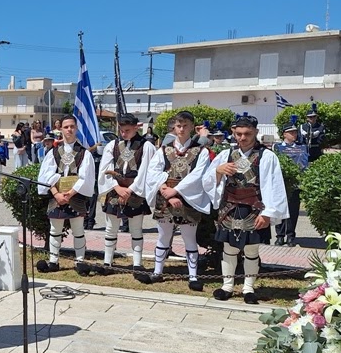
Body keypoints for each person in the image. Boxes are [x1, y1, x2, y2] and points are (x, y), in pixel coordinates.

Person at [206, 114, 288, 304]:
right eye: (239, 134)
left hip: (254, 208)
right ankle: (227, 286)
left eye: (247, 134)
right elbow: (207, 180)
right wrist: (218, 171)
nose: (242, 138)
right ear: (234, 133)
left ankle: (248, 288)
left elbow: (275, 185)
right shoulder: (225, 155)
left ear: (256, 132)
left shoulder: (267, 156)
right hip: (229, 207)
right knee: (229, 248)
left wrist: (268, 213)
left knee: (251, 249)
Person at [134, 110, 211, 290]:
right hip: (165, 198)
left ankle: (193, 276)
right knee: (163, 236)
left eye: (185, 126)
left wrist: (176, 191)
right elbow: (153, 172)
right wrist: (164, 188)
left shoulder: (201, 151)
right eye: (178, 126)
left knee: (189, 238)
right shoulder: (164, 150)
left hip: (188, 199)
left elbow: (198, 175)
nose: (181, 129)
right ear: (174, 128)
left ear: (192, 127)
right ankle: (157, 272)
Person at [36, 114, 95, 275]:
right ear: (60, 129)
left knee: (78, 231)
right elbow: (46, 176)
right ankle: (53, 261)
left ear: (76, 128)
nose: (69, 129)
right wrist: (56, 194)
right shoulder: (53, 152)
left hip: (75, 195)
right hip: (57, 195)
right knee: (55, 230)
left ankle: (80, 261)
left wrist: (69, 194)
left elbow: (86, 178)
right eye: (66, 127)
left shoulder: (84, 153)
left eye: (72, 126)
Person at [96, 113, 154, 273]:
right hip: (115, 190)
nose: (123, 133)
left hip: (135, 191)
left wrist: (130, 189)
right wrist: (116, 187)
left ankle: (137, 264)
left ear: (136, 127)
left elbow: (146, 171)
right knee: (111, 228)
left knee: (136, 229)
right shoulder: (112, 145)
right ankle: (107, 262)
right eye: (121, 130)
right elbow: (105, 169)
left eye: (127, 130)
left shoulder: (146, 146)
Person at [274, 119, 308, 246]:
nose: (294, 134)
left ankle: (290, 236)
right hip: (280, 184)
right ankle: (280, 236)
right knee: (279, 210)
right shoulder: (277, 147)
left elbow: (304, 164)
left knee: (293, 211)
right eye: (291, 132)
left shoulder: (302, 147)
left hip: (295, 184)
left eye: (295, 132)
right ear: (284, 134)